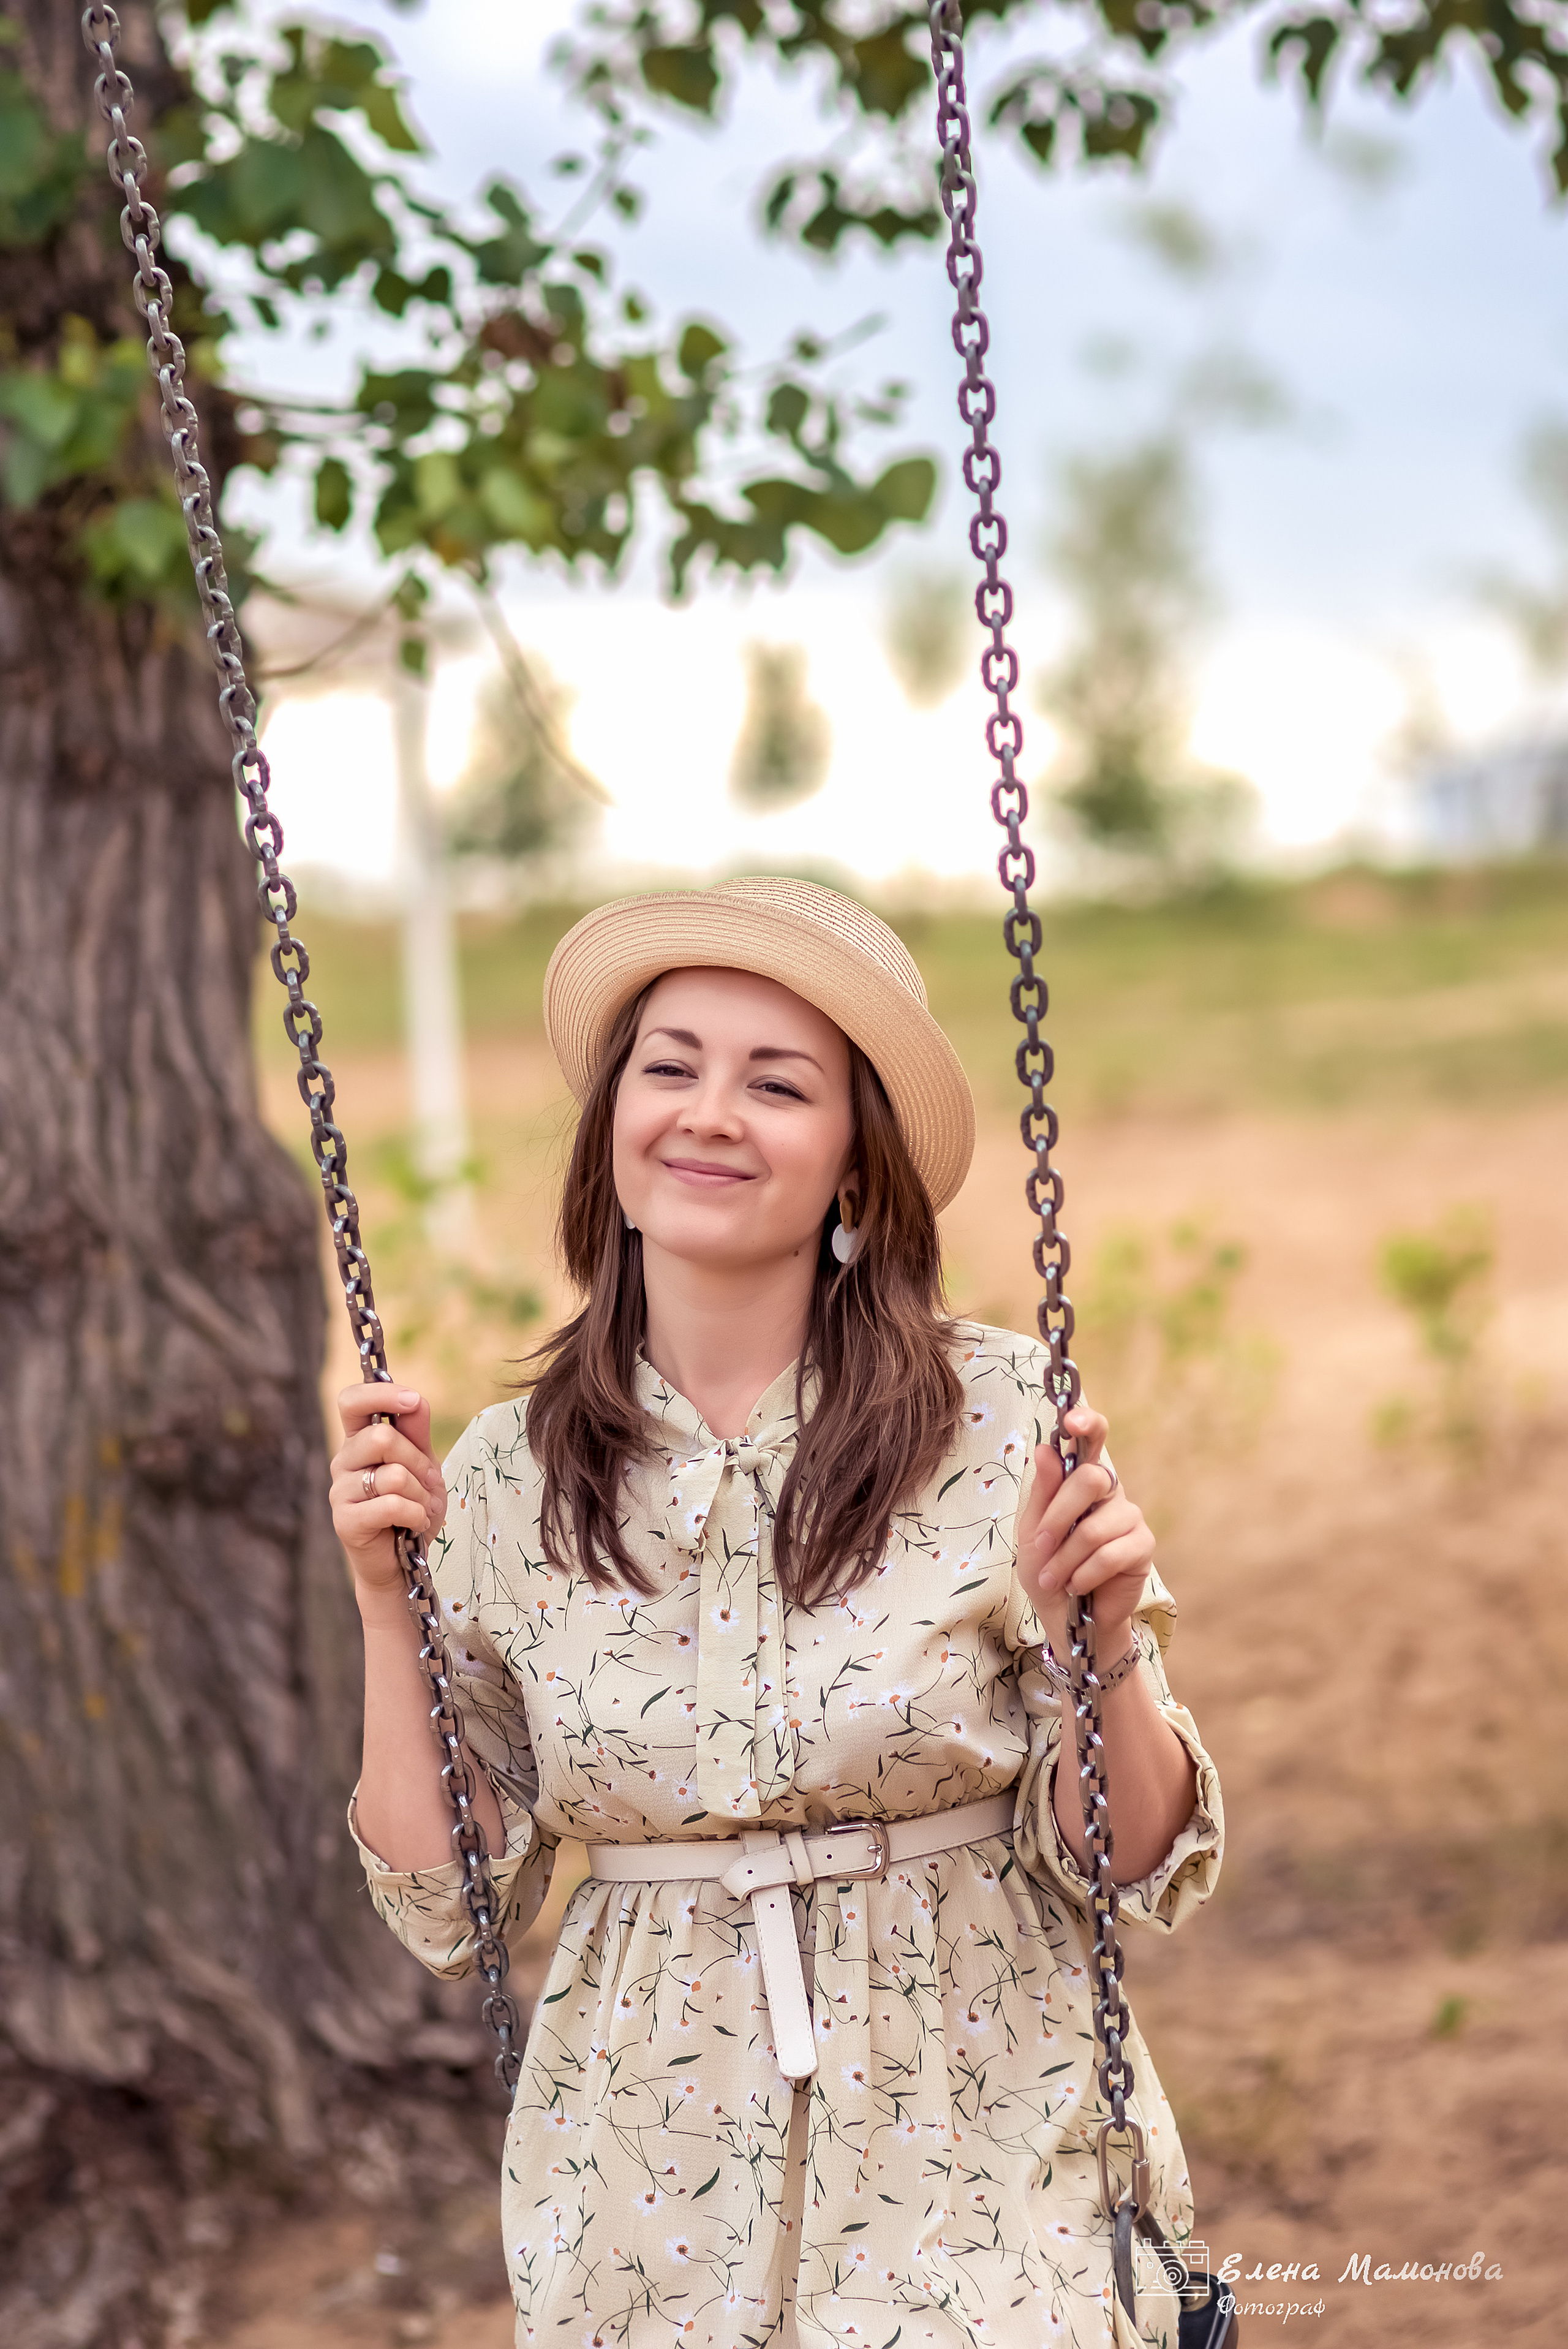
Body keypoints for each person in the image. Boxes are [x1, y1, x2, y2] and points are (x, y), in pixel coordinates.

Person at [330, 878, 1223, 2349]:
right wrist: (384, 1610)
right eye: (668, 1066)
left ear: (854, 1167)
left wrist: (1101, 1649)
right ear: (610, 1125)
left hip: (973, 2132)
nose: (707, 1114)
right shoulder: (506, 1474)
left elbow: (1134, 1863)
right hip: (646, 2175)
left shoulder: (996, 1420)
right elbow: (448, 1913)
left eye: (776, 1084)